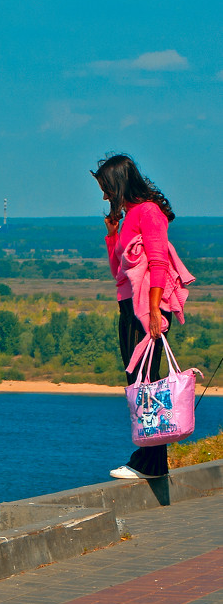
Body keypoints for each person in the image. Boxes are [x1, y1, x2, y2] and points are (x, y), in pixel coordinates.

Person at [91, 153, 194, 479]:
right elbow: (119, 272)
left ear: (120, 183)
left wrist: (152, 311)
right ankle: (154, 463)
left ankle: (148, 462)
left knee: (145, 383)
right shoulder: (133, 214)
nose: (105, 196)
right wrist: (112, 235)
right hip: (128, 307)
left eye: (107, 188)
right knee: (138, 383)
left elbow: (158, 263)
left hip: (145, 308)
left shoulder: (149, 213)